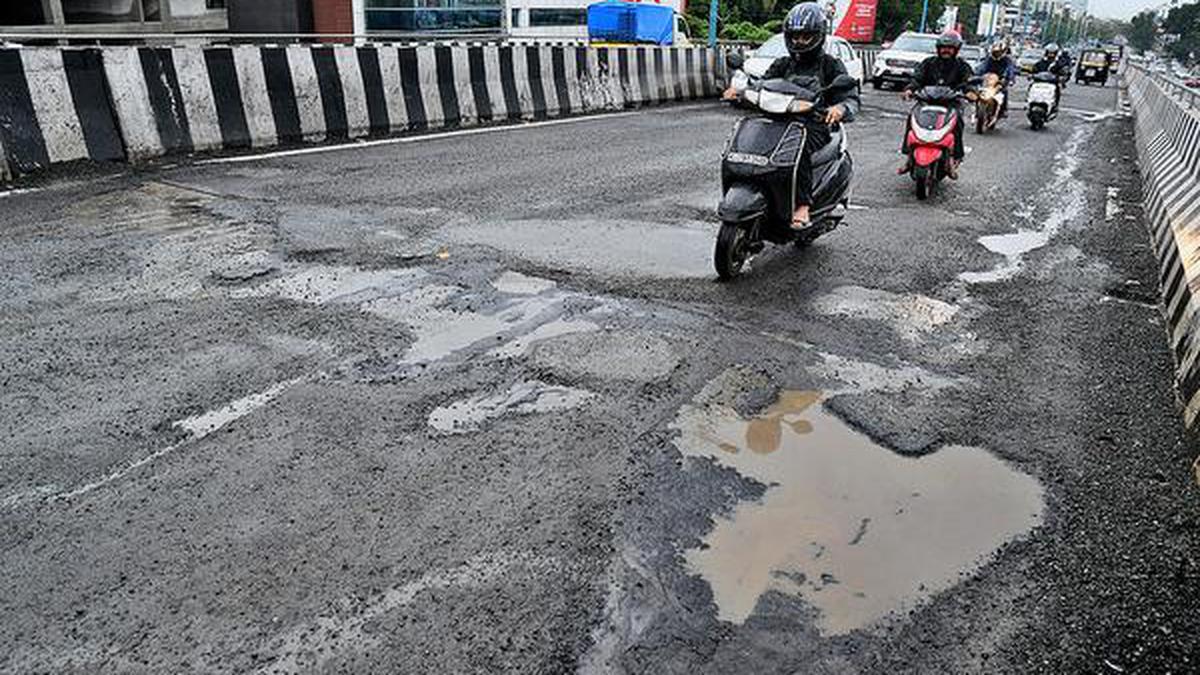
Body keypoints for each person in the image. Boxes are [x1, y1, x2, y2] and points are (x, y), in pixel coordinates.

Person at [756, 2, 861, 228]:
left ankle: (802, 205)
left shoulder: (830, 65)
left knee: (797, 146)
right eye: (794, 37)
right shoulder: (782, 64)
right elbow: (761, 84)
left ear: (819, 36)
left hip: (813, 125)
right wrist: (741, 89)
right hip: (777, 121)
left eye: (805, 37)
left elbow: (850, 97)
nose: (798, 42)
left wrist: (840, 108)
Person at [902, 31, 976, 179]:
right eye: (943, 47)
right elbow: (917, 79)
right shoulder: (928, 63)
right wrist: (910, 89)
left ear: (956, 49)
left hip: (951, 103)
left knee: (958, 123)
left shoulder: (962, 66)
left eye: (950, 48)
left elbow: (967, 83)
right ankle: (909, 157)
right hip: (927, 101)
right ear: (938, 48)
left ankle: (955, 156)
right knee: (912, 118)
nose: (946, 50)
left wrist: (970, 93)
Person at [975, 40, 1016, 117]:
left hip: (1000, 81)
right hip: (988, 81)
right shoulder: (989, 59)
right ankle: (977, 109)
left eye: (998, 52)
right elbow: (982, 67)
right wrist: (976, 75)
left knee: (1004, 91)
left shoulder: (1007, 60)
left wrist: (1010, 79)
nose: (997, 54)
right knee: (979, 92)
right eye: (995, 52)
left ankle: (1004, 110)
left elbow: (1010, 70)